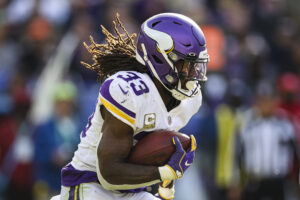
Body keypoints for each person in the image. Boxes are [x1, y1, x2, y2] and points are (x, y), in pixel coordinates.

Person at [51, 12, 209, 200]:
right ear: (161, 59)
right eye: (186, 65)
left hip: (132, 191)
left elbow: (153, 147)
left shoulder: (190, 100)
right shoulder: (128, 90)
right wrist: (166, 172)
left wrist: (168, 176)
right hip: (91, 183)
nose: (192, 74)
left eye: (196, 66)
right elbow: (109, 173)